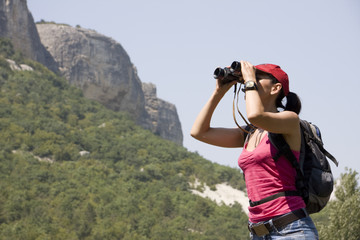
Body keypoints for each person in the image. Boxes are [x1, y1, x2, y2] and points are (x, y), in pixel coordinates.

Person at [190, 60, 319, 239]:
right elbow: (199, 132)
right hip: (258, 232)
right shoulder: (249, 133)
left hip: (291, 229)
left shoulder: (290, 120)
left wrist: (249, 79)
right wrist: (219, 91)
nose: (250, 81)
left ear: (275, 88)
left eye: (258, 77)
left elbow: (256, 115)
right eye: (251, 77)